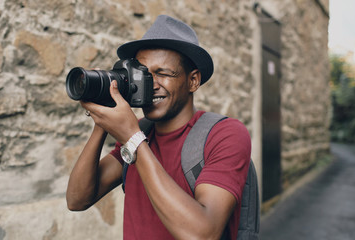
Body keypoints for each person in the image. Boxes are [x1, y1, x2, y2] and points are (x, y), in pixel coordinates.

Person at [66, 15, 251, 240]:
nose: (150, 85)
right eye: (143, 74)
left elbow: (204, 233)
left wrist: (133, 138)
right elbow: (77, 200)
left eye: (163, 73)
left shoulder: (226, 134)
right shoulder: (140, 131)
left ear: (193, 80)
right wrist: (102, 120)